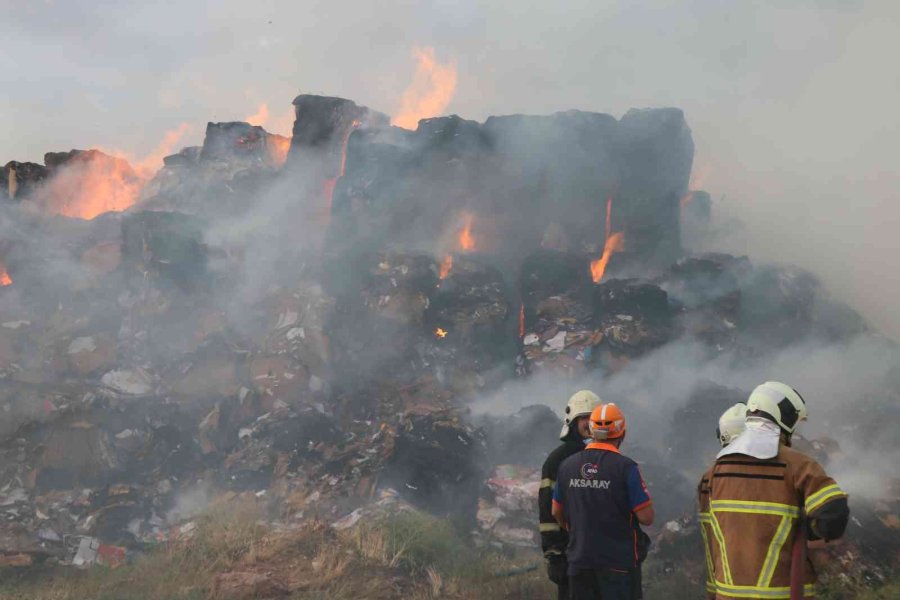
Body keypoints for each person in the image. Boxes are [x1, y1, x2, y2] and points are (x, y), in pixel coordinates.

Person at [698, 381, 849, 600]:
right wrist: (808, 530)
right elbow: (834, 516)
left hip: (727, 594)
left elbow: (710, 541)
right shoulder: (798, 465)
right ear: (783, 418)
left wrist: (713, 593)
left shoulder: (712, 475)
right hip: (785, 593)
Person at [551, 403, 654, 600]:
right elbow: (646, 517)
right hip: (618, 566)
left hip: (579, 563)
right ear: (622, 433)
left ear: (592, 432)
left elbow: (556, 511)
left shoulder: (567, 466)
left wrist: (576, 530)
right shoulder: (626, 468)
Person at [539, 390, 602, 599]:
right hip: (570, 554)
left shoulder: (606, 457)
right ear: (573, 421)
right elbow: (547, 510)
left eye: (594, 418)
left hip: (604, 556)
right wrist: (554, 553)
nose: (589, 423)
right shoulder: (557, 460)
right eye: (584, 418)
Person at [700, 402, 749, 596]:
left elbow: (709, 541)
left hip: (726, 586)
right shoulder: (781, 473)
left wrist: (712, 589)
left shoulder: (711, 477)